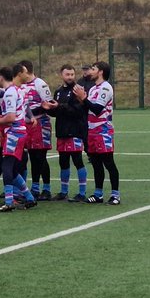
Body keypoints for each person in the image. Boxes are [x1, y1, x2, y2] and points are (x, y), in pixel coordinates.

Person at [0, 64, 39, 212]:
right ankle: (29, 197)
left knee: (6, 166)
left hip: (14, 133)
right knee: (11, 168)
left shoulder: (11, 92)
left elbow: (11, 117)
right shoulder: (18, 90)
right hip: (19, 132)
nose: (27, 75)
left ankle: (9, 202)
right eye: (25, 73)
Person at [77, 60, 120, 205]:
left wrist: (84, 99)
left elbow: (97, 109)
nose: (90, 71)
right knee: (95, 163)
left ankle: (115, 195)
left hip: (103, 131)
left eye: (93, 69)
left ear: (100, 72)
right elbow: (88, 108)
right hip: (92, 131)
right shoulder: (94, 89)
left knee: (109, 163)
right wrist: (81, 101)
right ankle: (98, 194)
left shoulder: (106, 88)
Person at [49, 64, 89, 202]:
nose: (70, 77)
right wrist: (49, 108)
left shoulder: (78, 91)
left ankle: (82, 193)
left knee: (77, 160)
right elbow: (57, 112)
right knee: (63, 161)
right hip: (62, 131)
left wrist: (59, 106)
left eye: (72, 74)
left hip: (75, 131)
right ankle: (63, 191)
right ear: (62, 75)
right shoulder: (59, 91)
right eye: (68, 74)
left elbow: (78, 111)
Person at [19, 59, 55, 200]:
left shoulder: (40, 84)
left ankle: (45, 189)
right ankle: (31, 188)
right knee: (28, 157)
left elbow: (49, 104)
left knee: (40, 157)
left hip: (40, 124)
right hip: (26, 125)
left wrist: (33, 111)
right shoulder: (20, 85)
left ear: (26, 71)